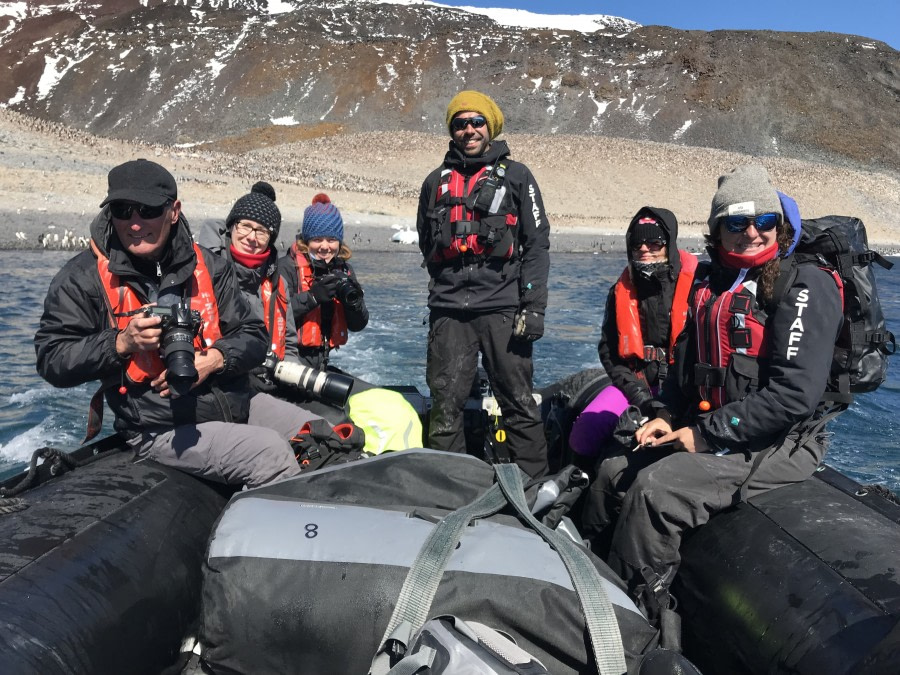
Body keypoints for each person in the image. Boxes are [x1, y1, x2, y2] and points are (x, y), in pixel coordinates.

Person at [585, 165, 843, 623]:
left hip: (780, 441)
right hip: (716, 425)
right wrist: (666, 414)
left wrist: (704, 435)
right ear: (717, 230)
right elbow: (687, 372)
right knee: (610, 470)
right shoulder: (712, 284)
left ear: (778, 225)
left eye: (763, 221)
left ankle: (635, 621)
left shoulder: (805, 285)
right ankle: (591, 579)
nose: (751, 233)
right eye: (736, 223)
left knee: (655, 491)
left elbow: (794, 396)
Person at [35, 159, 319, 488]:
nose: (135, 223)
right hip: (159, 426)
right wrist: (120, 343)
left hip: (235, 402)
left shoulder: (210, 266)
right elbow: (51, 358)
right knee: (270, 454)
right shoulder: (81, 278)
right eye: (123, 210)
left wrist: (214, 360)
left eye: (148, 210)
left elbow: (254, 335)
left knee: (325, 435)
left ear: (173, 210)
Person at [417, 90, 550, 478]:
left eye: (476, 122)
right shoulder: (433, 182)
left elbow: (537, 243)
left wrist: (534, 306)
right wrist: (447, 288)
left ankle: (535, 491)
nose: (469, 130)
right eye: (460, 124)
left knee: (520, 404)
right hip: (448, 314)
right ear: (452, 130)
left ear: (489, 127)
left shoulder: (519, 177)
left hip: (504, 311)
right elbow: (428, 243)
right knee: (445, 409)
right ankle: (450, 488)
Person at [569, 207, 697, 462]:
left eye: (654, 242)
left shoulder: (700, 286)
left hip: (686, 389)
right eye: (637, 244)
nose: (645, 250)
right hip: (637, 385)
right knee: (583, 434)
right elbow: (609, 352)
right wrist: (640, 396)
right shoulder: (619, 291)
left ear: (668, 244)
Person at [202, 181, 302, 391]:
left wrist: (294, 378)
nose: (252, 237)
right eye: (245, 226)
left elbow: (290, 343)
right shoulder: (206, 272)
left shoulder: (277, 282)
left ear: (271, 239)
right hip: (219, 384)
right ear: (232, 226)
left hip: (271, 381)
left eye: (262, 231)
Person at [279, 194, 368, 370]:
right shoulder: (287, 267)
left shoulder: (345, 270)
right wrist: (312, 297)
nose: (325, 246)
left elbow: (358, 325)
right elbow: (276, 316)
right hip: (290, 360)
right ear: (307, 240)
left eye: (332, 240)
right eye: (317, 239)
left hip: (323, 362)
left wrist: (354, 303)